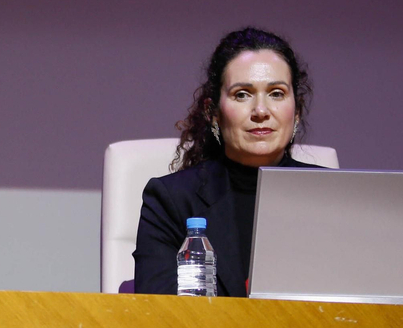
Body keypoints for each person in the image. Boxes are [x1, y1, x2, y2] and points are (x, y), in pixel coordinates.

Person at [133, 27, 317, 297]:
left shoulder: (330, 195)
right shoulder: (171, 200)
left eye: (276, 93)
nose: (261, 111)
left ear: (296, 110)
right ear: (213, 113)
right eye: (242, 94)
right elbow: (159, 310)